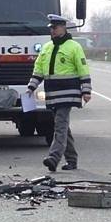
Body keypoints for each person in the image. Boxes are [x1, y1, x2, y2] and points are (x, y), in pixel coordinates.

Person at [25, 14, 92, 172]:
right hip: (53, 95)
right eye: (51, 28)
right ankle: (72, 160)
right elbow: (39, 70)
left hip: (68, 94)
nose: (52, 31)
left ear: (63, 28)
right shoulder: (47, 47)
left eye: (55, 28)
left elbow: (83, 70)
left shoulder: (74, 47)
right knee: (64, 128)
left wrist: (86, 91)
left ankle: (53, 158)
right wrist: (31, 88)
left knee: (59, 126)